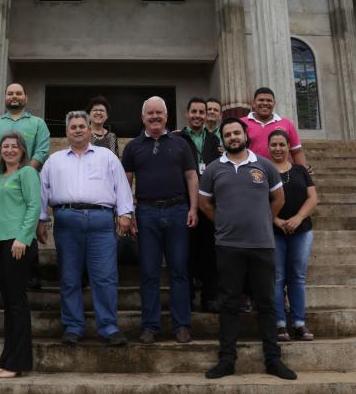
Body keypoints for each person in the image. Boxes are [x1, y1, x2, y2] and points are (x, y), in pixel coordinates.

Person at [198, 118, 296, 380]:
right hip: (228, 246)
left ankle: (273, 360)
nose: (233, 137)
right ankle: (227, 359)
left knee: (266, 303)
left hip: (262, 245)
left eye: (236, 132)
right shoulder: (213, 170)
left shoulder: (264, 166)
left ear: (245, 135)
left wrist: (264, 219)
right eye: (227, 134)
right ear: (222, 140)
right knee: (229, 304)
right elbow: (205, 204)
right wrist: (223, 222)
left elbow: (279, 199)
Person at [39, 111, 133, 347]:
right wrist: (41, 219)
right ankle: (73, 326)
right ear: (66, 132)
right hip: (67, 223)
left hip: (101, 222)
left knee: (105, 278)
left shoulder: (107, 157)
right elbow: (42, 190)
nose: (78, 130)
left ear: (90, 130)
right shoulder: (54, 160)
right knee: (70, 277)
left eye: (82, 126)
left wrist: (125, 214)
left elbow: (121, 185)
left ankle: (109, 327)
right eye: (73, 127)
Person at [122, 96, 198, 345]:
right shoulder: (133, 147)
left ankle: (182, 325)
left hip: (178, 211)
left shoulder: (180, 144)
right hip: (147, 213)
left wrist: (193, 208)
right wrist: (127, 213)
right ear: (143, 117)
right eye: (150, 113)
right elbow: (126, 182)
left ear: (166, 116)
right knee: (149, 272)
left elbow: (191, 177)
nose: (155, 117)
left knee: (179, 271)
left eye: (159, 113)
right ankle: (150, 326)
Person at [0, 131, 41, 378]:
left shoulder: (27, 173)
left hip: (18, 244)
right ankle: (7, 359)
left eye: (14, 146)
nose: (9, 150)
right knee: (8, 303)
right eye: (5, 146)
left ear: (22, 150)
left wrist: (23, 238)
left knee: (17, 303)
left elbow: (34, 206)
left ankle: (18, 363)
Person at [0, 82, 50, 289]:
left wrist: (21, 173)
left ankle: (32, 273)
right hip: (2, 182)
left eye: (18, 93)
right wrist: (6, 173)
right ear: (5, 97)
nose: (14, 96)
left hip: (26, 182)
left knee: (28, 222)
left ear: (25, 98)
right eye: (10, 93)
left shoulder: (38, 124)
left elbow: (42, 151)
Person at [268, 129, 318, 342]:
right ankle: (280, 324)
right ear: (268, 148)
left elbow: (313, 198)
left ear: (288, 147)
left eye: (282, 144)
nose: (278, 149)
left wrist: (298, 218)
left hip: (302, 231)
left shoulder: (300, 171)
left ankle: (298, 322)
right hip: (274, 231)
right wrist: (278, 221)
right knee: (277, 278)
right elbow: (261, 202)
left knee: (297, 277)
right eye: (274, 145)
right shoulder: (264, 171)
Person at [177, 97, 221, 313]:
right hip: (185, 203)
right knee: (186, 252)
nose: (197, 115)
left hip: (210, 204)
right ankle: (187, 297)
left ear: (206, 115)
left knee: (210, 252)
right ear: (187, 113)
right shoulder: (177, 138)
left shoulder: (214, 140)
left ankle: (210, 297)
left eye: (201, 112)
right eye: (193, 111)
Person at [241, 87, 310, 172]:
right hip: (251, 173)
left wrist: (303, 172)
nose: (265, 103)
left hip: (281, 173)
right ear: (253, 103)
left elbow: (296, 151)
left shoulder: (287, 124)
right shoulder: (241, 123)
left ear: (274, 103)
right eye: (261, 100)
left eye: (269, 100)